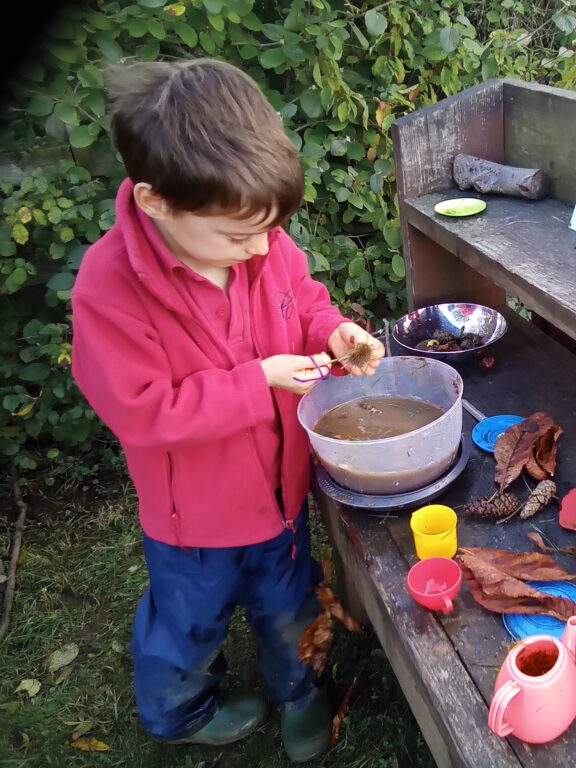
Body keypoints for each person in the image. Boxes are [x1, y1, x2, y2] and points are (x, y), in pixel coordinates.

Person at [70, 58, 384, 761]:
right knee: (186, 625)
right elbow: (142, 411)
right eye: (241, 235)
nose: (262, 246)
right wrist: (259, 380)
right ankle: (180, 710)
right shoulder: (109, 289)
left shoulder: (256, 233)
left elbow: (302, 299)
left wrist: (331, 329)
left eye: (271, 230)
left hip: (280, 499)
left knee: (292, 609)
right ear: (156, 203)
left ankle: (299, 693)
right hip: (193, 526)